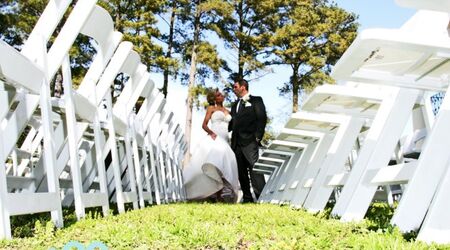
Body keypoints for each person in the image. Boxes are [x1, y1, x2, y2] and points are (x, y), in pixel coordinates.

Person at [183, 89, 239, 202]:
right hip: (215, 138)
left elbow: (232, 125)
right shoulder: (211, 109)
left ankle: (219, 194)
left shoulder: (227, 110)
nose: (221, 96)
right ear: (214, 98)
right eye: (218, 95)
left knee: (223, 166)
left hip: (225, 139)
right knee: (214, 164)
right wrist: (211, 133)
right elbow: (204, 125)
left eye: (221, 95)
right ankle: (214, 194)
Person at [229, 79, 267, 203]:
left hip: (250, 141)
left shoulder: (256, 100)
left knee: (254, 169)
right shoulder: (234, 105)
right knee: (241, 172)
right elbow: (231, 123)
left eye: (235, 87)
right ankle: (247, 197)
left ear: (243, 87)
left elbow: (262, 118)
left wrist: (257, 137)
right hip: (236, 143)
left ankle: (261, 196)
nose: (233, 89)